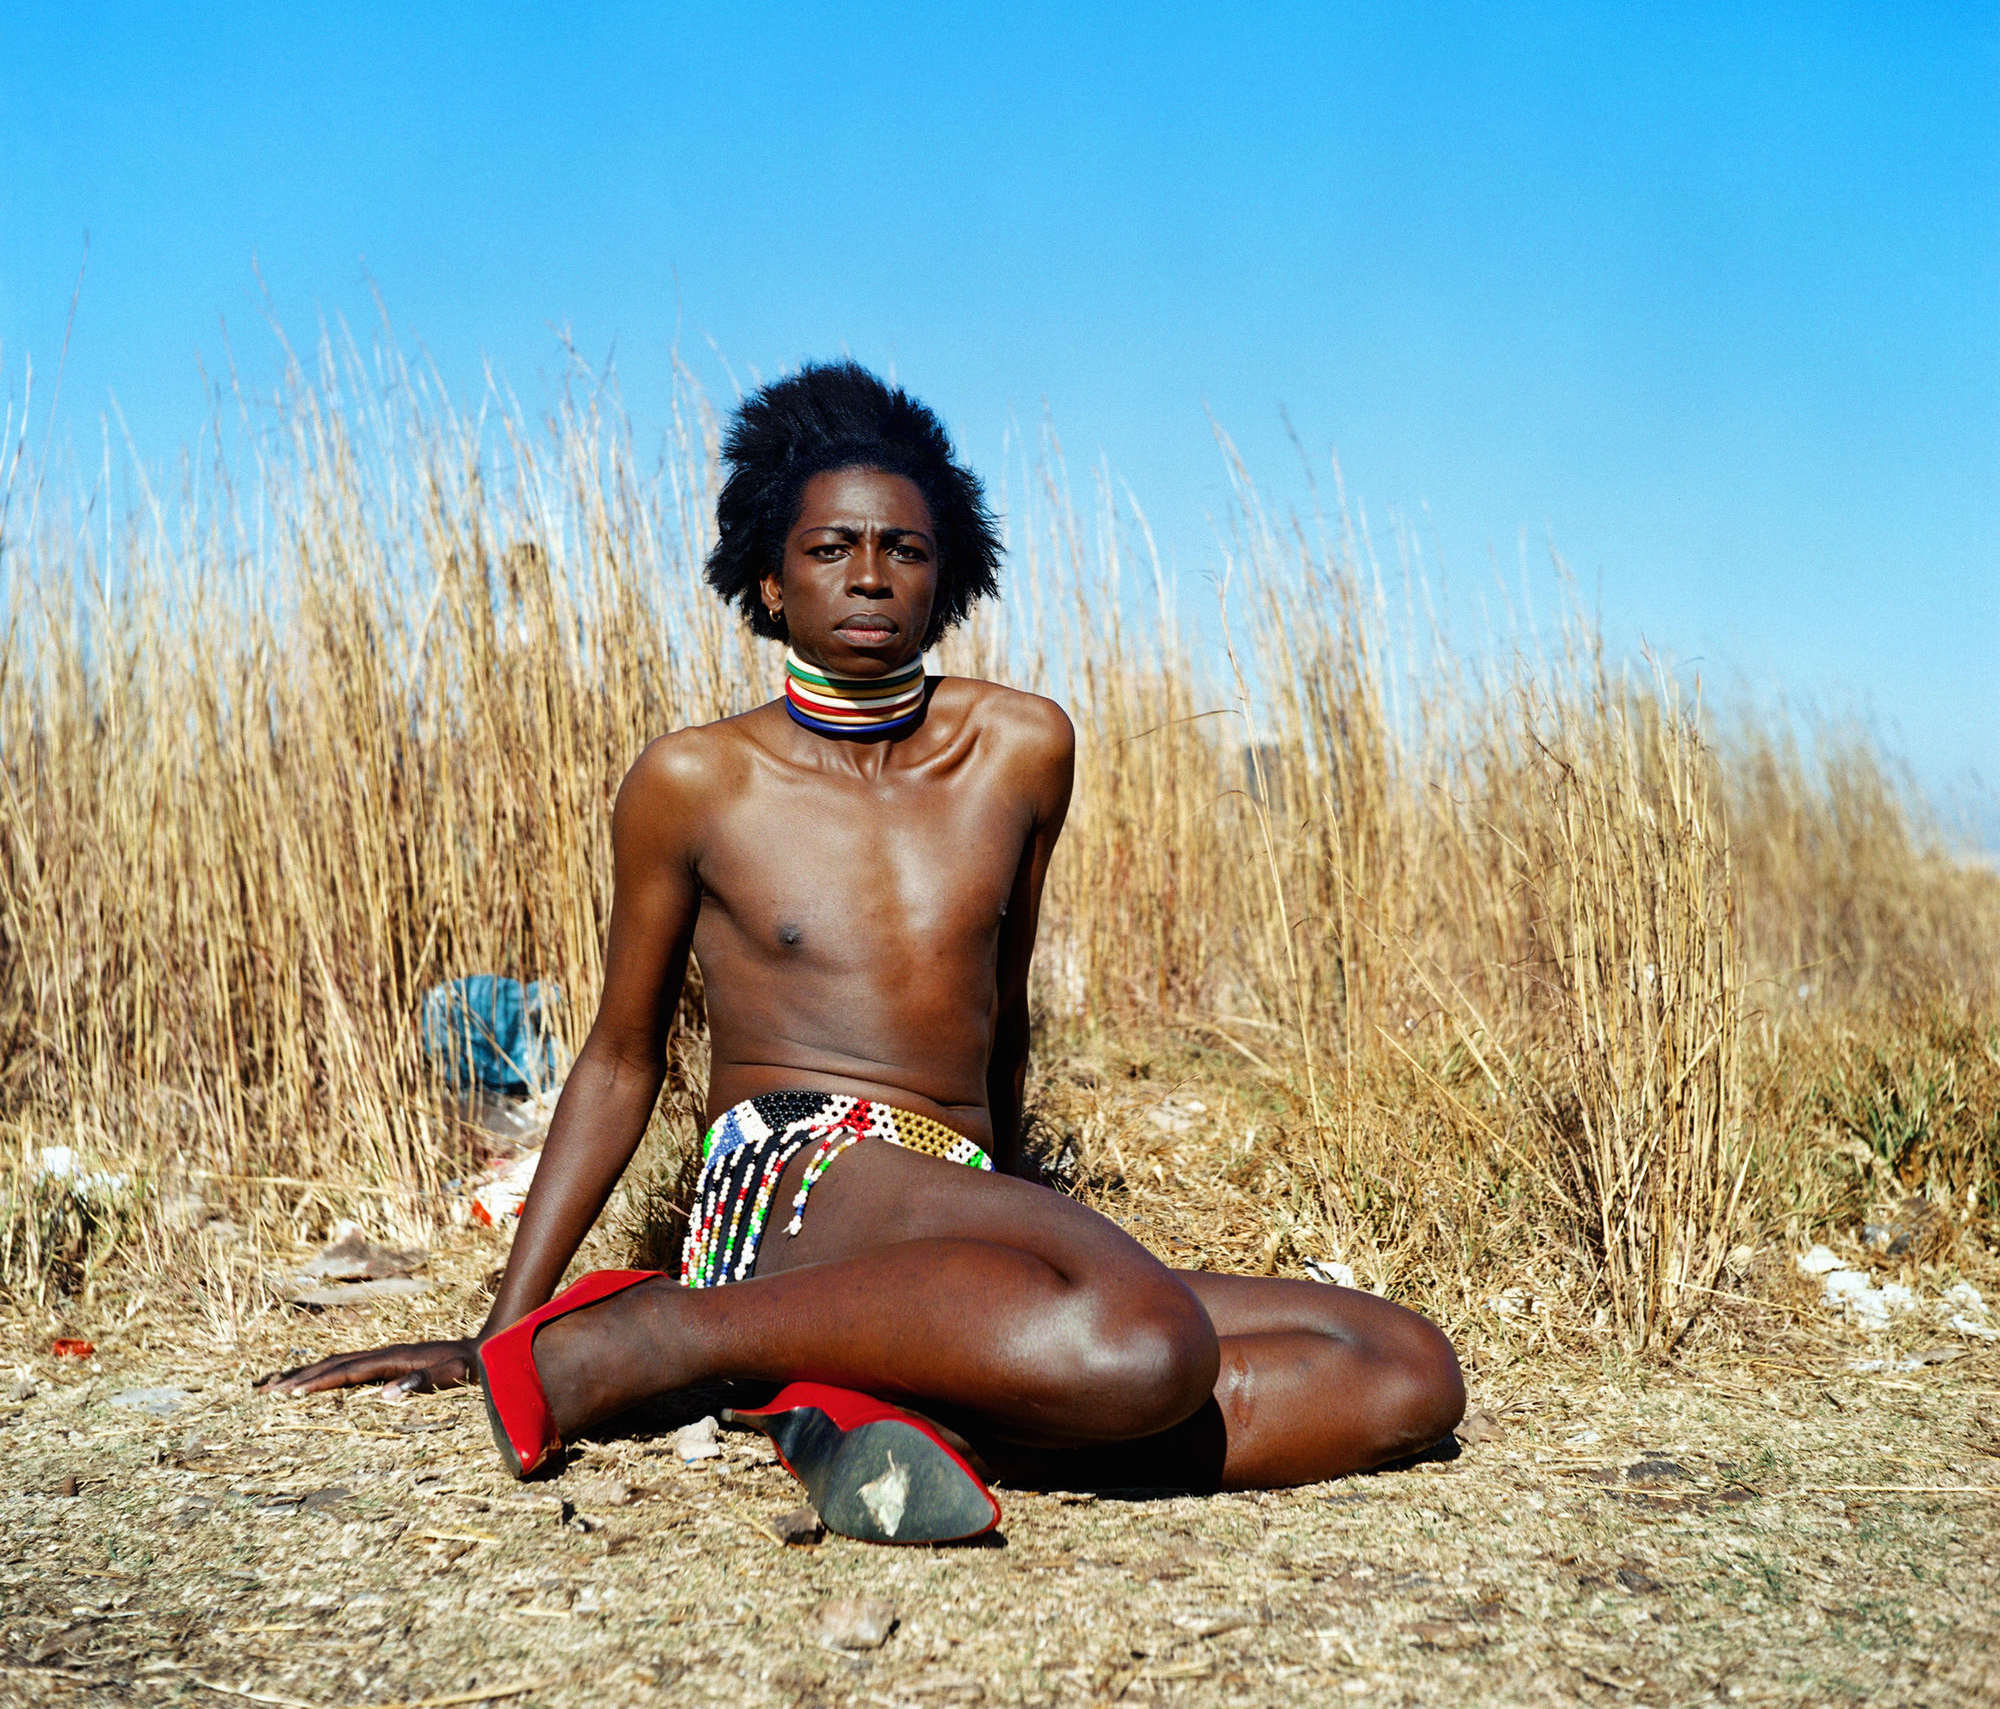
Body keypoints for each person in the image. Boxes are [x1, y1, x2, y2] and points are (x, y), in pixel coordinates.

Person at [265, 362, 1463, 1541]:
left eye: (904, 548)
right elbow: (621, 1058)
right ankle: (655, 1334)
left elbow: (1004, 1008)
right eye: (830, 548)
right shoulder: (694, 781)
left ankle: (873, 1401)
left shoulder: (1022, 747)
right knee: (1144, 1342)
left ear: (947, 578)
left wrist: (1019, 1206)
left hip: (954, 1185)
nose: (870, 575)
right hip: (787, 1179)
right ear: (770, 580)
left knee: (1402, 1370)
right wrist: (502, 1332)